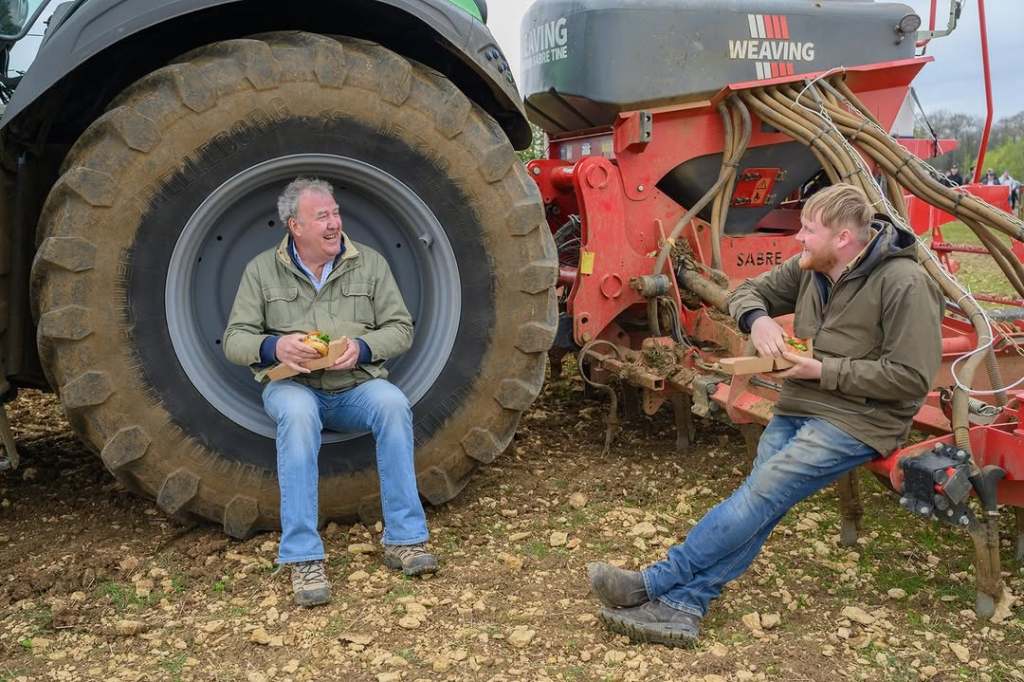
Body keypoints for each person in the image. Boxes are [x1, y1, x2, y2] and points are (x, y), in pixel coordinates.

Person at [587, 183, 943, 647]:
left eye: (808, 230)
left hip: (859, 420)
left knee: (759, 496)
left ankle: (653, 583)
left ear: (842, 238)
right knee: (762, 502)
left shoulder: (905, 284)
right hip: (800, 402)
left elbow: (911, 379)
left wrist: (823, 370)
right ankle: (686, 603)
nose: (798, 238)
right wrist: (757, 319)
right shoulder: (812, 268)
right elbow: (747, 291)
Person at [223, 177, 437, 607]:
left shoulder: (370, 263)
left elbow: (401, 329)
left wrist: (362, 348)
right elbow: (234, 340)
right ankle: (304, 557)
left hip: (356, 386)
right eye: (322, 216)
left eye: (335, 213)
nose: (334, 223)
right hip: (294, 387)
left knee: (393, 404)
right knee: (299, 415)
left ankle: (405, 539)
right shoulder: (261, 270)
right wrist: (275, 347)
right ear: (295, 226)